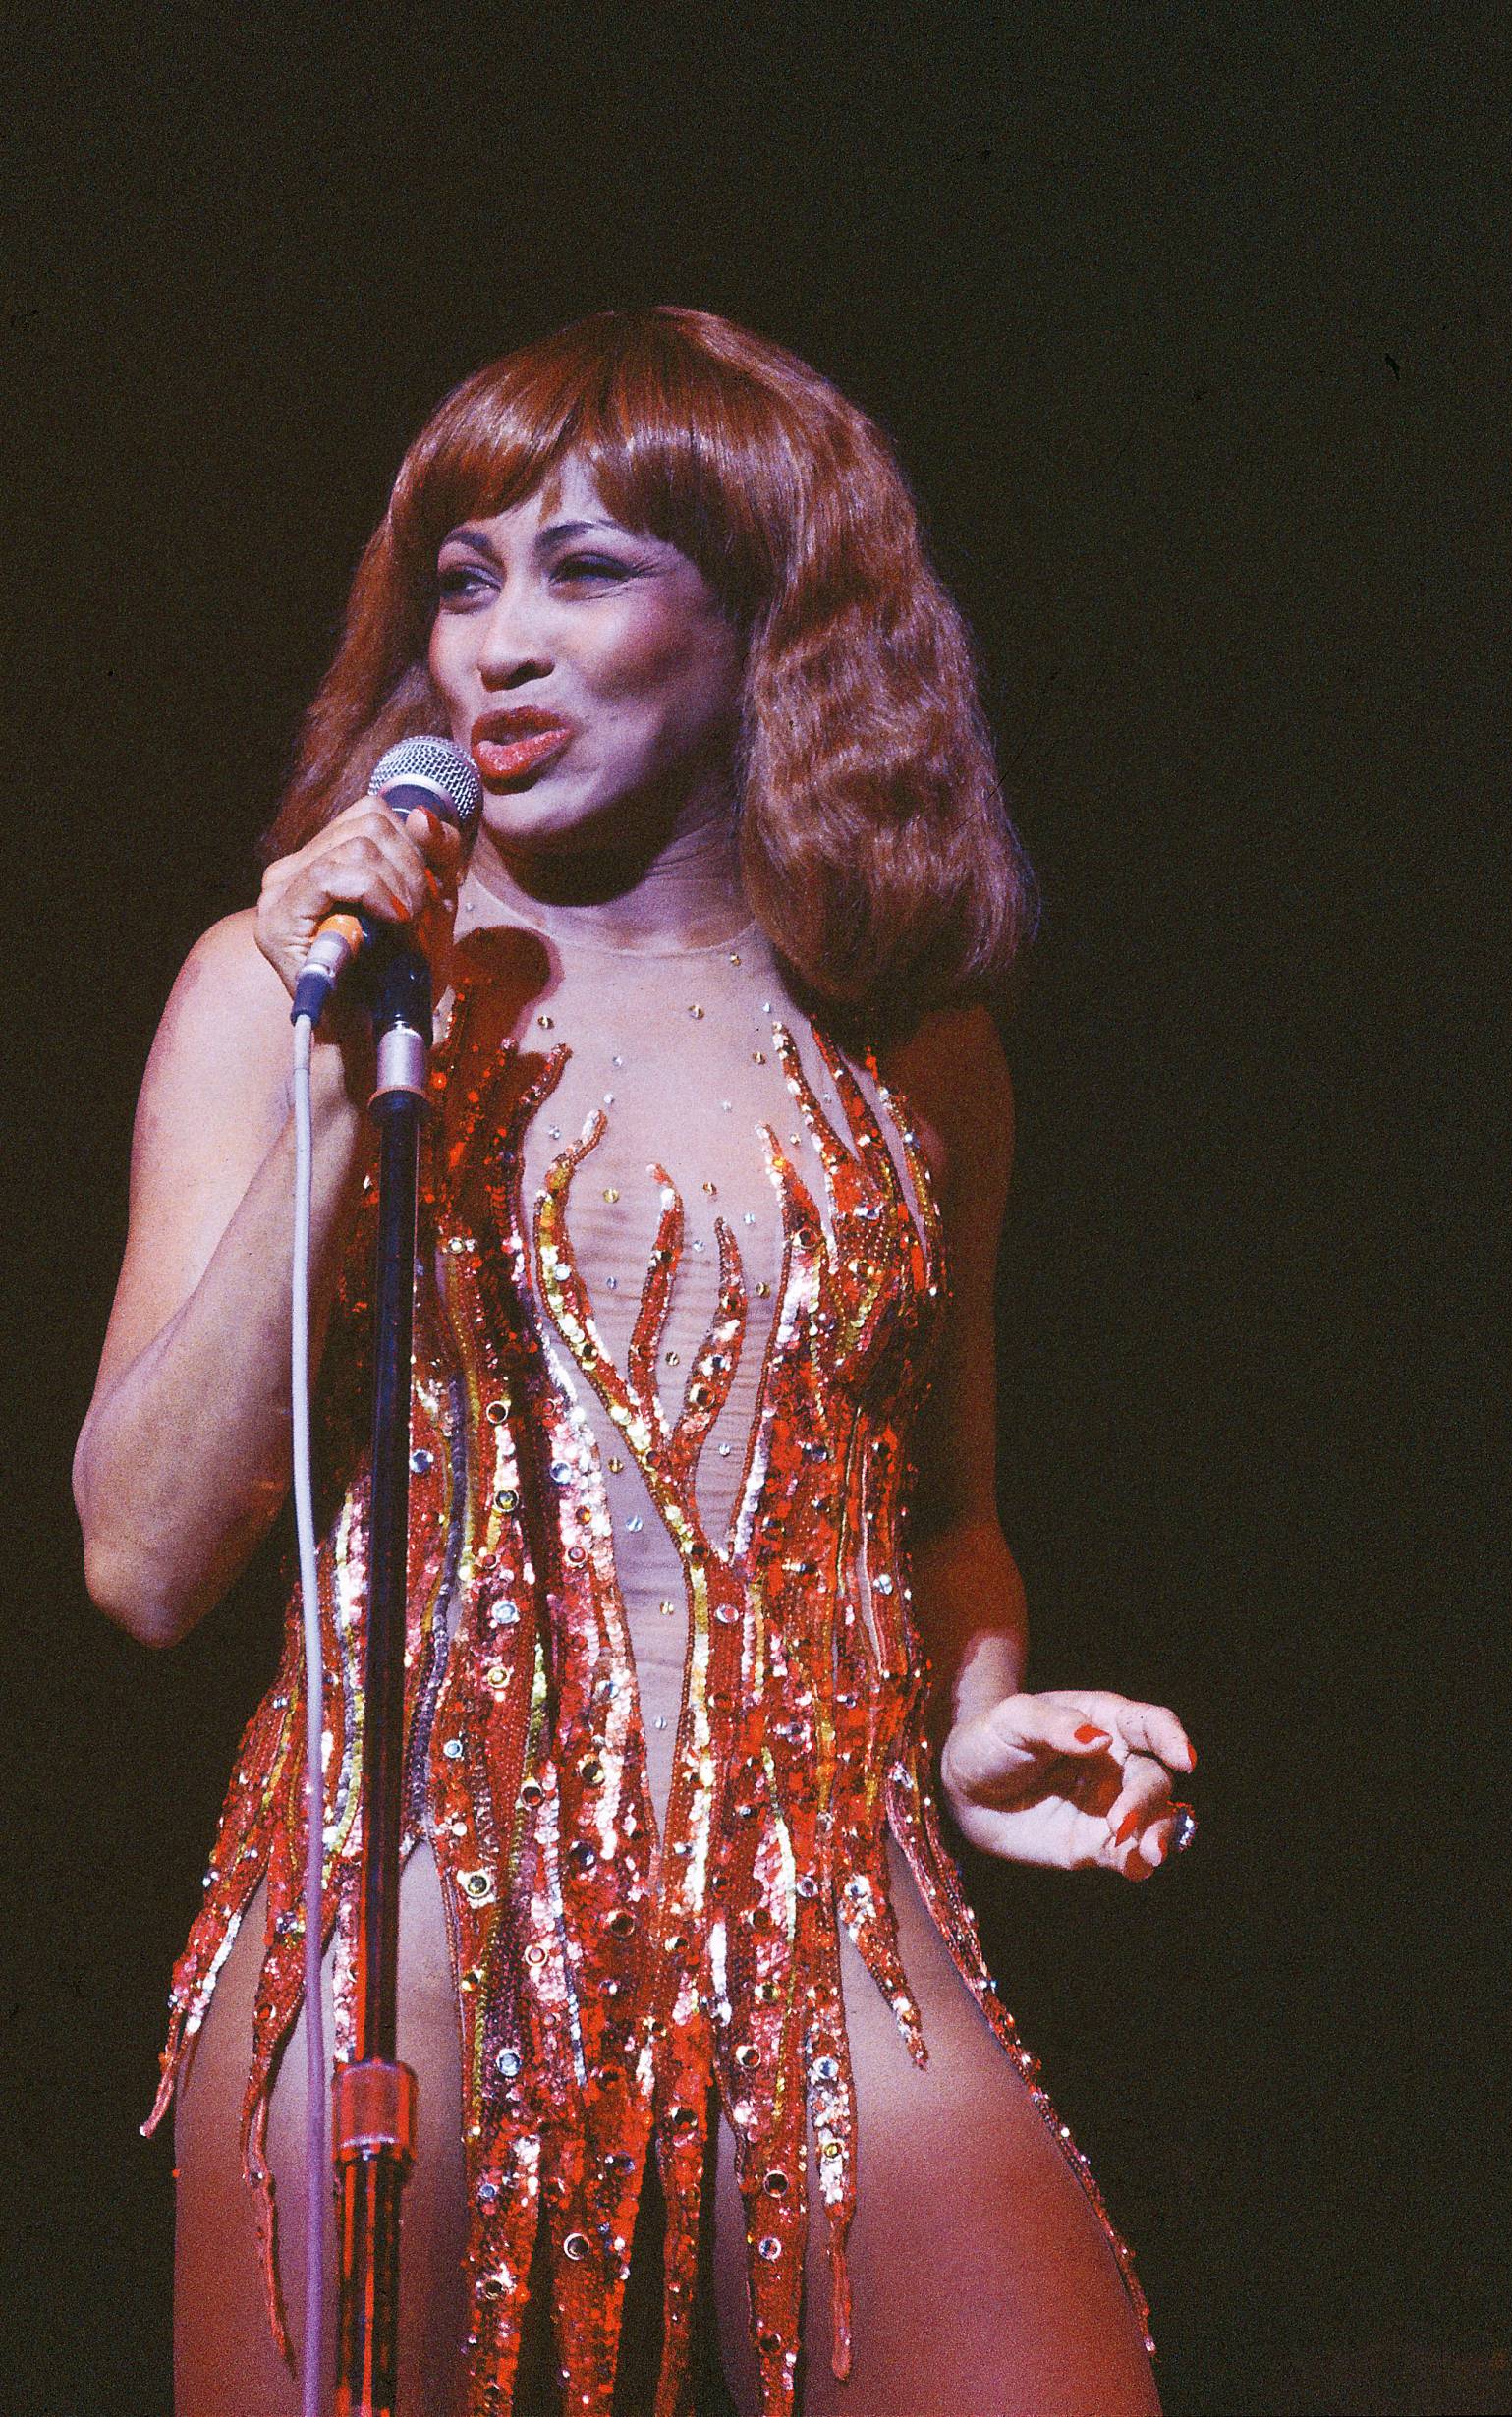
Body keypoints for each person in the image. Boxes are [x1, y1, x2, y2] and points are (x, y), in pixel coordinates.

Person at [75, 307, 1197, 2417]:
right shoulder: (274, 990)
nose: (496, 642)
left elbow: (939, 1516)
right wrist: (338, 1079)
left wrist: (979, 1727)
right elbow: (141, 1559)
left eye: (584, 572)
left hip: (826, 1884)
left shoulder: (914, 1042)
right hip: (402, 1892)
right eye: (463, 578)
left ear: (766, 617)